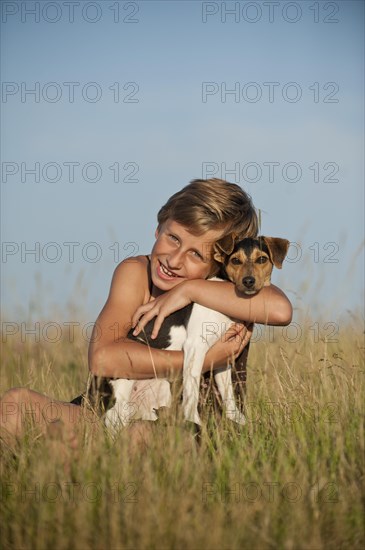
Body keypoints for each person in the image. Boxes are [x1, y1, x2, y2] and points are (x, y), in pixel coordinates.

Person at [0, 179, 292, 448]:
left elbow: (280, 310)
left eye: (196, 254)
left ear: (221, 260)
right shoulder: (136, 273)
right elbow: (103, 358)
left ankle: (82, 472)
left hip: (188, 426)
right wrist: (199, 360)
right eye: (174, 239)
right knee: (16, 405)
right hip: (108, 410)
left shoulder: (231, 288)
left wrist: (189, 291)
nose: (175, 260)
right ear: (159, 226)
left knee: (135, 436)